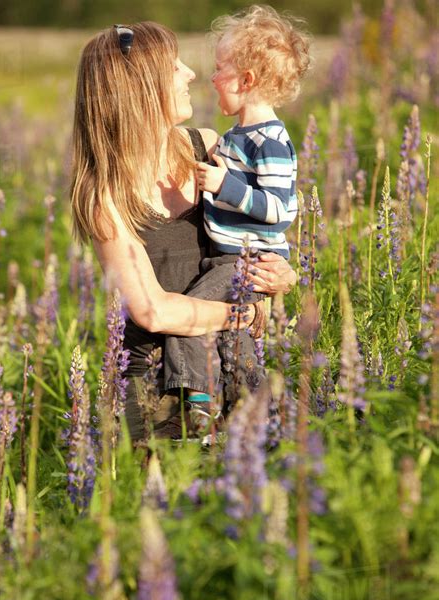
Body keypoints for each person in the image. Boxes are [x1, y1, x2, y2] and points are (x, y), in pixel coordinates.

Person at [70, 20, 297, 442]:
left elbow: (258, 231)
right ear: (140, 86)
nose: (191, 73)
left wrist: (283, 275)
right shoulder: (106, 197)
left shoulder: (207, 147)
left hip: (228, 357)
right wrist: (242, 314)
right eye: (174, 67)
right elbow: (153, 311)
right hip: (156, 388)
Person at [162, 6, 311, 440]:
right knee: (235, 343)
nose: (210, 78)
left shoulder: (272, 142)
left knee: (190, 319)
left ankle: (200, 407)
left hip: (244, 262)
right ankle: (267, 417)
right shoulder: (234, 139)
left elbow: (281, 210)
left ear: (246, 81)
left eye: (220, 69)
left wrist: (224, 183)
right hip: (228, 260)